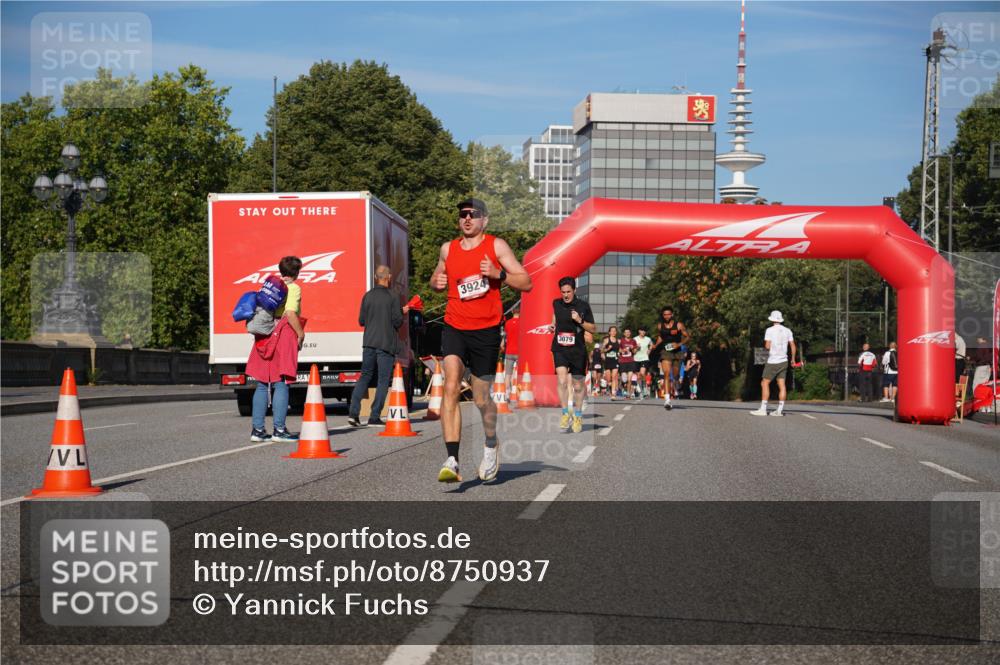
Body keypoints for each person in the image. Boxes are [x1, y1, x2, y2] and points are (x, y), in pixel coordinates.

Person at [430, 197, 531, 483]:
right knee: (450, 384)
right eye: (463, 214)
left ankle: (490, 444)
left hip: (486, 330)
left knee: (481, 397)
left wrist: (498, 274)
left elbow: (526, 281)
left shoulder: (496, 246)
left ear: (484, 220)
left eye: (473, 214)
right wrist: (434, 283)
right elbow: (436, 278)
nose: (467, 218)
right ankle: (452, 458)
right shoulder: (448, 249)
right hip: (455, 326)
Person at [247, 256, 305, 442]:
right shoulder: (293, 288)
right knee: (281, 382)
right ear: (297, 272)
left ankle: (257, 430)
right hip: (283, 333)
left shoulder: (270, 286)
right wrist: (300, 333)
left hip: (264, 333)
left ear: (281, 270)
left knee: (263, 383)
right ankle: (279, 430)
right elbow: (290, 313)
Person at [348, 265, 409, 427]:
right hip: (385, 343)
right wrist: (402, 312)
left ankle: (353, 414)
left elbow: (361, 321)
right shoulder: (393, 296)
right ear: (388, 277)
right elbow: (397, 321)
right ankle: (374, 416)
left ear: (376, 278)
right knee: (383, 380)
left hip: (368, 342)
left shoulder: (367, 296)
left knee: (365, 376)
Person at [551, 276, 596, 433]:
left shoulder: (583, 306)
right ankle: (565, 413)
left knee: (578, 386)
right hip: (560, 347)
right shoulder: (556, 303)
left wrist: (579, 320)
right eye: (563, 292)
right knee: (562, 381)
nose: (566, 295)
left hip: (577, 350)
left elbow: (593, 328)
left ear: (574, 290)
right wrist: (553, 324)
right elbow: (556, 315)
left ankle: (577, 415)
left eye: (568, 291)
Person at [750, 310, 797, 417]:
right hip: (784, 360)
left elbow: (767, 346)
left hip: (773, 361)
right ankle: (779, 410)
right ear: (780, 320)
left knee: (764, 383)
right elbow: (793, 345)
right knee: (782, 385)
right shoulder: (788, 331)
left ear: (772, 319)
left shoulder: (769, 330)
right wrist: (793, 359)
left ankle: (763, 409)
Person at [653, 306, 689, 410]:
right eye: (665, 314)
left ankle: (677, 382)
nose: (667, 316)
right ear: (662, 315)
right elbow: (660, 337)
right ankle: (667, 400)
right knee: (667, 374)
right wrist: (656, 345)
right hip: (665, 351)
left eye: (668, 314)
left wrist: (679, 344)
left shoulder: (678, 324)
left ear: (672, 314)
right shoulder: (660, 325)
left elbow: (687, 336)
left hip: (677, 352)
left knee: (676, 374)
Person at [502, 307, 520, 396]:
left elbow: (504, 337)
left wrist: (502, 345)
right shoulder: (523, 322)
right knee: (521, 374)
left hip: (509, 352)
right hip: (520, 352)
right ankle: (519, 394)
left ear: (512, 312)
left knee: (508, 374)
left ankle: (506, 394)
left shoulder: (507, 323)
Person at [601, 327, 621, 401]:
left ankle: (613, 394)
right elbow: (601, 350)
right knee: (608, 379)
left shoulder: (618, 341)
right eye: (612, 331)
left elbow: (620, 350)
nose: (613, 332)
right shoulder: (606, 340)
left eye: (615, 331)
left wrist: (622, 351)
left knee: (614, 377)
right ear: (609, 332)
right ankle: (609, 385)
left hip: (615, 360)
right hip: (608, 360)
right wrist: (607, 349)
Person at [618, 328, 638, 399]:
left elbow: (635, 351)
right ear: (624, 334)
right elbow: (619, 349)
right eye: (626, 332)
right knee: (624, 379)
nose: (627, 333)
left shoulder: (633, 341)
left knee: (629, 380)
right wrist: (622, 350)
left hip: (630, 361)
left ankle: (628, 394)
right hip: (623, 361)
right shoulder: (621, 341)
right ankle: (624, 387)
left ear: (630, 333)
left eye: (628, 332)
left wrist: (633, 349)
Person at [634, 327, 653, 399]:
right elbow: (633, 349)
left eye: (644, 331)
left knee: (642, 373)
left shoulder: (648, 339)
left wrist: (650, 350)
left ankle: (645, 388)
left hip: (645, 358)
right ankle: (640, 390)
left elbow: (651, 344)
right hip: (636, 358)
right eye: (642, 330)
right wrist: (636, 348)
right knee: (638, 375)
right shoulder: (635, 339)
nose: (643, 332)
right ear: (639, 331)